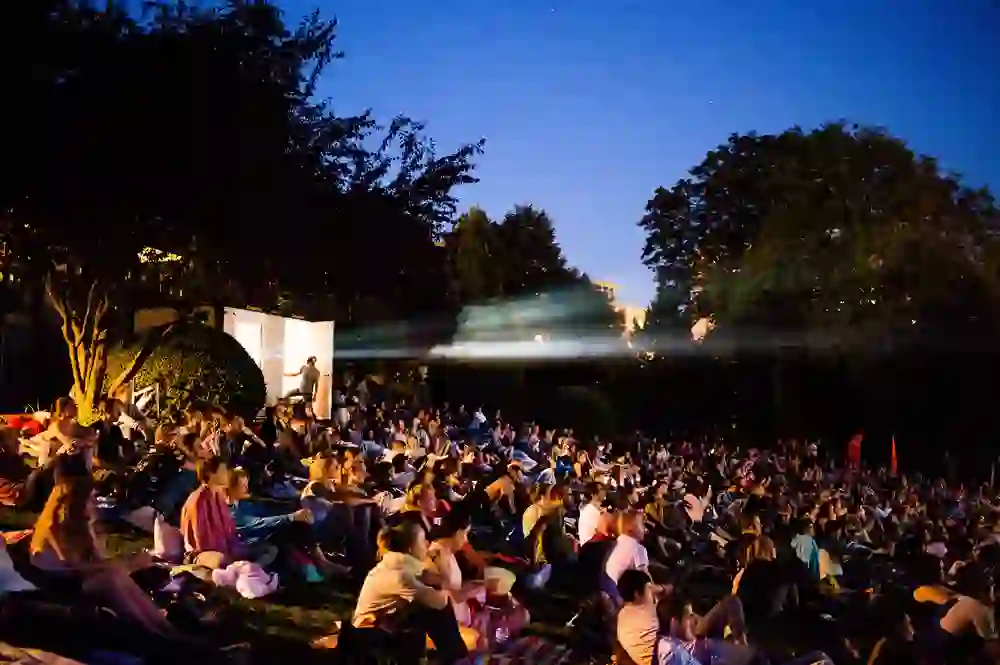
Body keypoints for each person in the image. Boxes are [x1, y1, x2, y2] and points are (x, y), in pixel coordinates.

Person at [352, 520, 476, 665]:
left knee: (426, 607)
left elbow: (439, 582)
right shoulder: (399, 574)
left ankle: (455, 657)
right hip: (368, 632)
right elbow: (439, 602)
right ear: (411, 548)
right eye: (423, 541)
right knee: (431, 609)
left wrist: (437, 575)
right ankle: (457, 658)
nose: (427, 544)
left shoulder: (399, 564)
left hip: (385, 621)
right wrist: (443, 589)